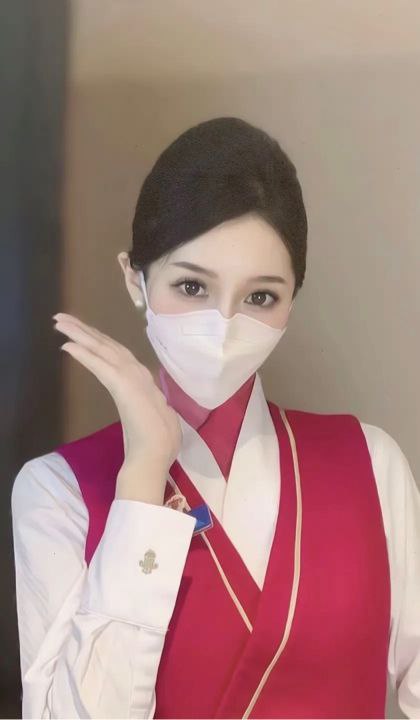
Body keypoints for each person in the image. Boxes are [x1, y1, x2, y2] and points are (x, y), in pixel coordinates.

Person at [11, 117, 420, 719]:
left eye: (260, 297)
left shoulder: (370, 463)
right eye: (192, 287)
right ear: (135, 278)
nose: (224, 325)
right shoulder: (58, 490)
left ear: (292, 300)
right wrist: (143, 476)